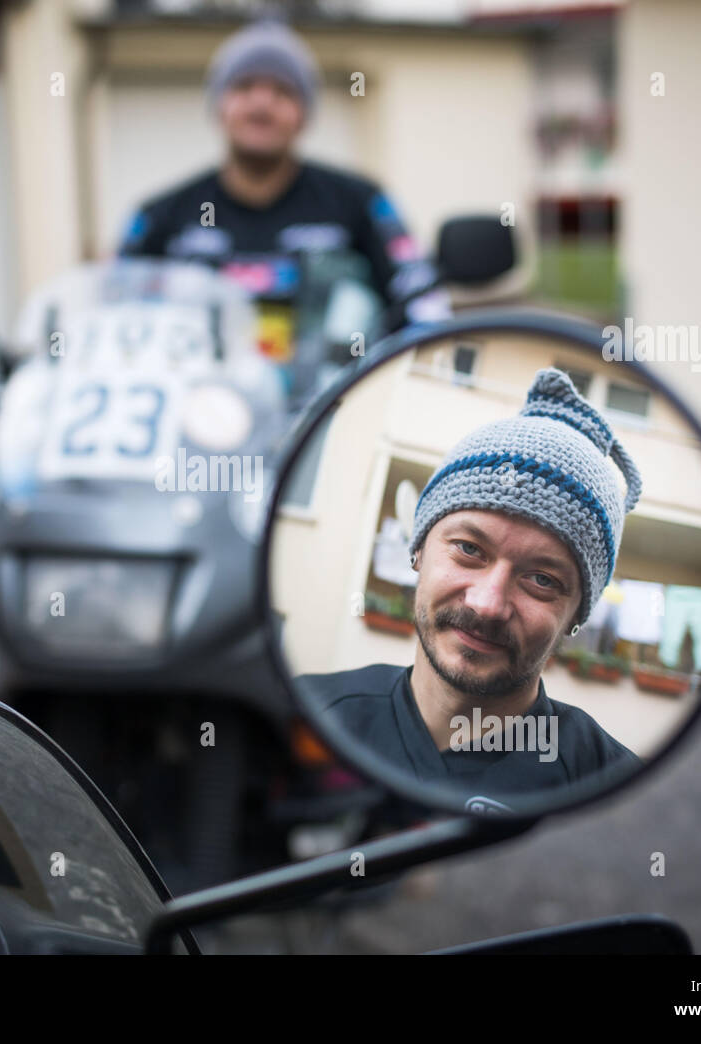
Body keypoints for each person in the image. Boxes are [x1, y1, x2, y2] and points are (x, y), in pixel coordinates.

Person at [299, 368, 645, 811]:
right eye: (468, 549)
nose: (487, 604)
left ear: (576, 616)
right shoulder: (309, 718)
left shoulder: (617, 796)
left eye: (542, 580)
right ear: (419, 550)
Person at [118, 18, 448, 395]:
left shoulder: (361, 203)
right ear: (219, 106)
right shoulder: (161, 216)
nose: (262, 103)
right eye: (243, 87)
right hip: (194, 432)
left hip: (333, 426)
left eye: (282, 91)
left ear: (304, 113)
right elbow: (114, 323)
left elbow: (426, 311)